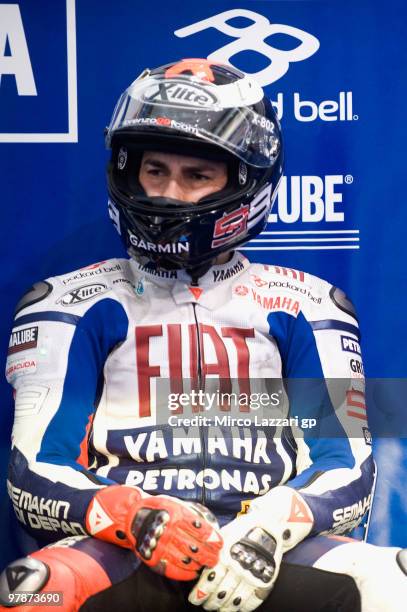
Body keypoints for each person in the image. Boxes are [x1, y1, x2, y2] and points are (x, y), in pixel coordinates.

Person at [1, 59, 406, 612]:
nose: (170, 194)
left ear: (245, 186)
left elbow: (347, 463)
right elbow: (33, 469)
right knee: (33, 588)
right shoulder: (67, 302)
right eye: (155, 171)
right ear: (127, 173)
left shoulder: (311, 303)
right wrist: (137, 516)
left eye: (197, 176)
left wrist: (266, 530)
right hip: (127, 545)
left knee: (396, 580)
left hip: (269, 546)